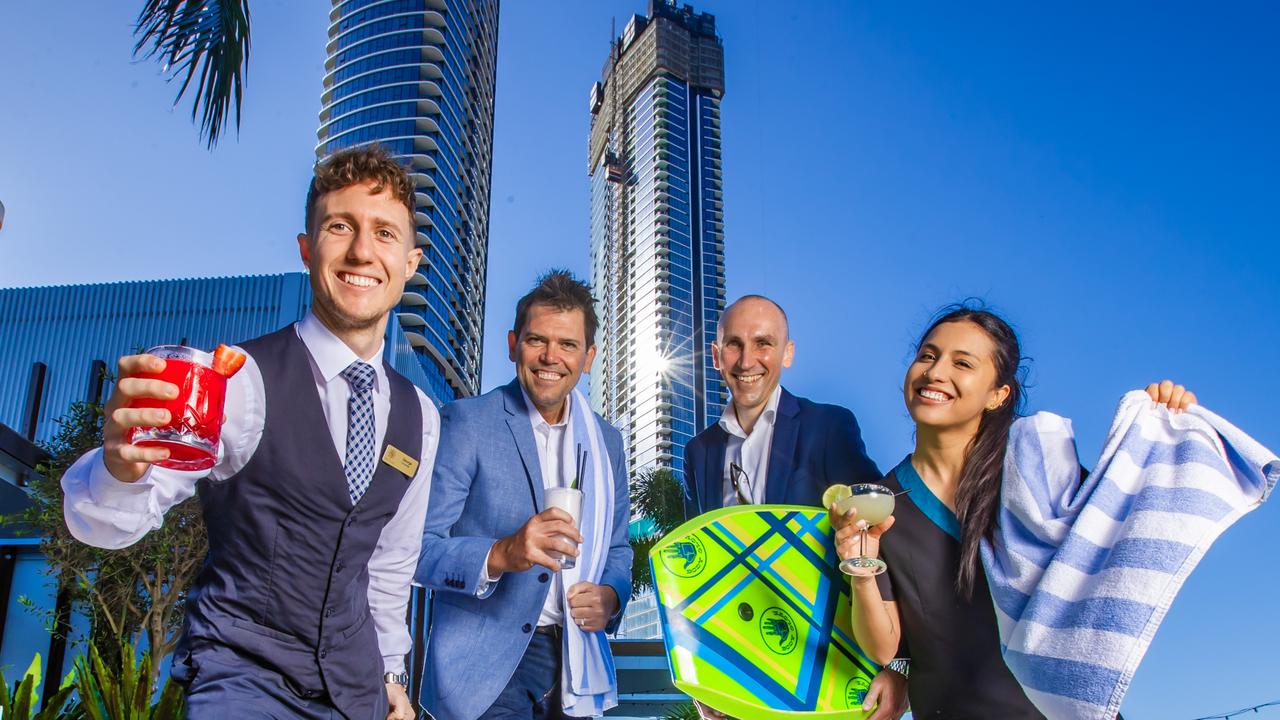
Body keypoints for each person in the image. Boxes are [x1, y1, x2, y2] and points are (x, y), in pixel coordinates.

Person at [61, 145, 440, 720]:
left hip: (356, 691)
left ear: (410, 263)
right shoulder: (235, 378)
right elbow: (104, 525)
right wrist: (118, 468)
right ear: (307, 249)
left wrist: (391, 673)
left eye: (384, 233)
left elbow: (389, 564)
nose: (363, 250)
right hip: (242, 682)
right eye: (341, 226)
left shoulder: (421, 415)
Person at [835, 305, 1194, 718]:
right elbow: (886, 646)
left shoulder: (1038, 469)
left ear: (997, 394)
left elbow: (1116, 536)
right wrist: (861, 570)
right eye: (928, 356)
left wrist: (1159, 424)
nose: (935, 373)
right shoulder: (885, 500)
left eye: (962, 363)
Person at [416, 270, 632, 720]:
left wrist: (611, 596)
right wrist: (500, 553)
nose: (551, 356)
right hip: (484, 670)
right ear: (513, 344)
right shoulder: (466, 422)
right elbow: (417, 549)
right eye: (537, 340)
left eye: (568, 345)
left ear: (588, 357)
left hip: (575, 663)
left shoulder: (606, 442)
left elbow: (616, 548)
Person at [682, 294, 906, 720]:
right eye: (734, 344)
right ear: (715, 355)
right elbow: (699, 566)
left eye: (764, 343)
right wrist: (703, 674)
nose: (748, 360)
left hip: (826, 673)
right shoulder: (698, 452)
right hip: (742, 676)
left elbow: (882, 536)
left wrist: (897, 666)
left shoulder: (828, 427)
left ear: (788, 353)